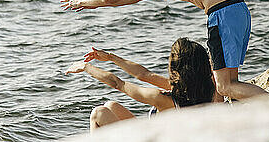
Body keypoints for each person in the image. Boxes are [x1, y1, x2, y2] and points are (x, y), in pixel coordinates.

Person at [61, 0, 268, 99]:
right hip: (238, 9)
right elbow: (121, 0)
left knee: (224, 87)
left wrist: (79, 3)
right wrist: (87, 0)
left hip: (222, 14)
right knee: (231, 82)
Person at [65, 38, 219, 132]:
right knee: (111, 106)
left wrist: (86, 67)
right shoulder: (211, 90)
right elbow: (144, 75)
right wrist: (111, 58)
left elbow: (118, 83)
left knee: (99, 113)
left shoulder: (162, 99)